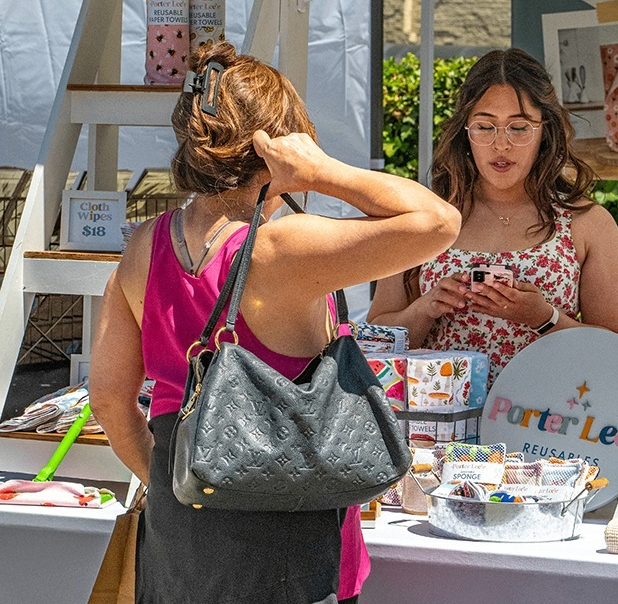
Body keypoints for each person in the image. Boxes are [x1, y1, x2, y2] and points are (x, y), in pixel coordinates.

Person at [89, 41, 461, 604]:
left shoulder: (144, 246)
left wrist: (190, 477)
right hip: (288, 548)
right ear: (280, 145)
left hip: (179, 544)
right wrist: (324, 171)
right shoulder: (282, 246)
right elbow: (438, 221)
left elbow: (111, 401)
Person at [368, 47, 618, 388]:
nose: (501, 145)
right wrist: (424, 309)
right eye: (485, 126)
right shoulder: (424, 218)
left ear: (545, 131)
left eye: (519, 128)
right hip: (437, 431)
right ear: (465, 131)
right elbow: (376, 342)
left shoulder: (587, 224)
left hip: (546, 433)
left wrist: (545, 318)